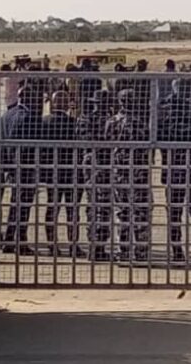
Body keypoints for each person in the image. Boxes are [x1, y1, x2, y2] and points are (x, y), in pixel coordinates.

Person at [159, 79, 191, 262]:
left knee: (174, 213)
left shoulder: (163, 112)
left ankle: (177, 252)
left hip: (172, 168)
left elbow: (159, 143)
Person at [105, 89, 152, 261]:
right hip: (138, 171)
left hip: (119, 171)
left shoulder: (112, 122)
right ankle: (141, 252)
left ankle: (123, 251)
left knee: (122, 212)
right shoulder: (141, 122)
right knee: (140, 212)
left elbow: (108, 142)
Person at [0, 84, 45, 255]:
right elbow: (31, 145)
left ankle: (10, 239)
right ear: (29, 98)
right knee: (23, 206)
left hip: (11, 166)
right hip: (26, 167)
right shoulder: (30, 117)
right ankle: (20, 241)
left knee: (15, 203)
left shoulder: (7, 114)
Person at [41, 91, 84, 257]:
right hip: (72, 172)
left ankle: (52, 244)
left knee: (52, 207)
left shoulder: (43, 122)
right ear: (67, 105)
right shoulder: (74, 123)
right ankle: (73, 245)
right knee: (73, 210)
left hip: (52, 172)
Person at [76, 89, 115, 261]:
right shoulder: (109, 120)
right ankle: (99, 246)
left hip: (88, 162)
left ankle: (93, 242)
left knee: (92, 204)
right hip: (104, 163)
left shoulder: (84, 118)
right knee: (104, 206)